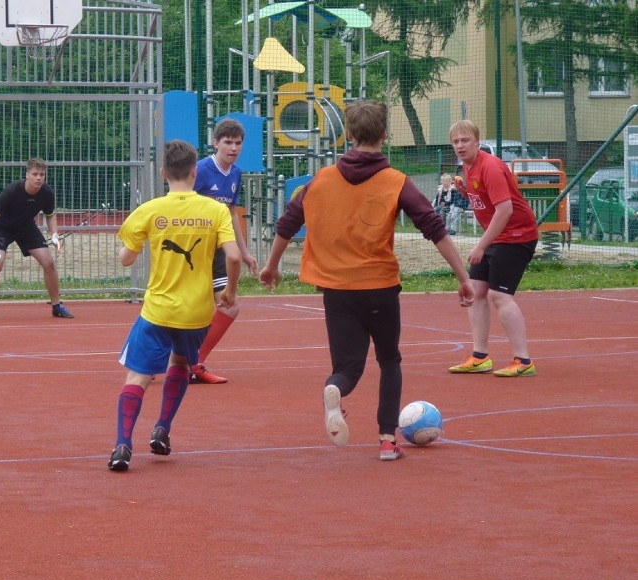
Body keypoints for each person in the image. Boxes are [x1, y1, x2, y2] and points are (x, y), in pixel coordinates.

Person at [259, 100, 474, 461]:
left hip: (336, 289)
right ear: (385, 136)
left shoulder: (321, 180)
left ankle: (334, 388)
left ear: (351, 134)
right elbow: (433, 227)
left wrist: (271, 266)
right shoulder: (395, 182)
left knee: (347, 368)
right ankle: (388, 441)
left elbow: (288, 222)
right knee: (389, 360)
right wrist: (463, 276)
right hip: (379, 288)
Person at [108, 140, 241, 471]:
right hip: (197, 313)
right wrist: (230, 293)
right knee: (180, 364)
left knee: (137, 376)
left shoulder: (150, 209)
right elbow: (234, 255)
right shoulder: (215, 210)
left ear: (164, 173)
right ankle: (162, 429)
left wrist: (134, 248)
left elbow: (126, 259)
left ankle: (123, 445)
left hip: (159, 309)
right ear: (195, 172)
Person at [448, 119, 539, 377]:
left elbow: (505, 210)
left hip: (516, 236)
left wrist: (480, 246)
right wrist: (465, 193)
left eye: (465, 140)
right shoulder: (467, 167)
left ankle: (523, 360)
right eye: (456, 141)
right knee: (476, 291)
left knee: (499, 295)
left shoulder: (490, 167)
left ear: (477, 142)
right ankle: (480, 356)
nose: (460, 145)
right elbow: (485, 200)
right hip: (498, 237)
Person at [189, 118, 259, 384]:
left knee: (228, 306)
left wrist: (244, 251)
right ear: (215, 143)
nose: (233, 147)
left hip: (219, 249)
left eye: (238, 143)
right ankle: (159, 359)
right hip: (193, 249)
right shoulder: (200, 170)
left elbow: (230, 214)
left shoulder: (236, 174)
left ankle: (194, 361)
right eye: (227, 142)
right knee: (187, 308)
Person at [0, 158, 73, 320]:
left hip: (26, 228)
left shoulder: (47, 192)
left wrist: (54, 234)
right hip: (3, 228)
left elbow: (50, 215)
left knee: (49, 263)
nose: (39, 178)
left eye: (42, 174)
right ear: (27, 175)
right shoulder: (12, 190)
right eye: (35, 174)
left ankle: (57, 306)